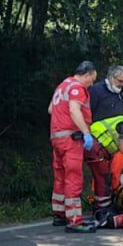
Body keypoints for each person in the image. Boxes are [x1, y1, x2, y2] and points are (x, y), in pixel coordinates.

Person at [48, 61, 98, 232]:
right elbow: (74, 110)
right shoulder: (77, 88)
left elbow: (50, 109)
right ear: (87, 74)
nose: (91, 85)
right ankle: (75, 221)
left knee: (60, 176)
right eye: (91, 80)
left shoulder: (62, 86)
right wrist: (86, 132)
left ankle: (59, 214)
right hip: (71, 139)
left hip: (56, 138)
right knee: (73, 177)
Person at [86, 114, 123, 227]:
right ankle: (104, 211)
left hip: (95, 146)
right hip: (95, 146)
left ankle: (101, 209)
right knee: (103, 178)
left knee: (101, 178)